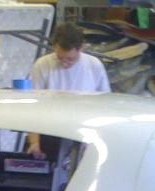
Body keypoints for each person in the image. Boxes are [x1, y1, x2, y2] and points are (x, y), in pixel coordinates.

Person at [27, 22, 110, 158]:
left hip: (85, 133)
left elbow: (105, 106)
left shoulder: (94, 65)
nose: (65, 63)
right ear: (55, 47)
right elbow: (33, 106)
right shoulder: (43, 65)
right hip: (50, 132)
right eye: (60, 58)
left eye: (71, 59)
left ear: (81, 48)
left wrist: (98, 139)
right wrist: (34, 142)